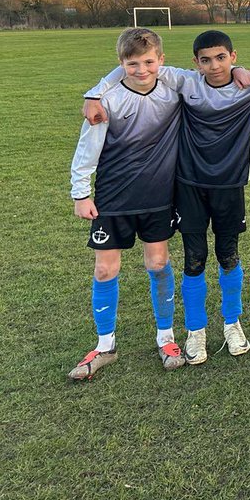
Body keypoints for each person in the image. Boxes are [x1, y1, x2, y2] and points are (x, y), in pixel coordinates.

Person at [82, 30, 250, 366]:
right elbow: (130, 67)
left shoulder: (238, 87)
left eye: (222, 58)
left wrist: (246, 71)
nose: (213, 65)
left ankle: (232, 323)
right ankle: (195, 330)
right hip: (187, 186)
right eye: (205, 60)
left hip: (230, 186)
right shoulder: (185, 82)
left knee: (228, 254)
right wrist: (94, 94)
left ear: (233, 57)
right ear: (195, 63)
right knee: (194, 258)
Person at [68, 27, 184, 378]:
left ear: (160, 61)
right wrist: (81, 193)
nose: (141, 69)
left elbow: (211, 76)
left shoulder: (174, 89)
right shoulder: (106, 101)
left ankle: (166, 338)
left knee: (157, 262)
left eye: (149, 61)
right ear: (121, 64)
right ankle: (105, 346)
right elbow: (88, 149)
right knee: (105, 269)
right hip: (113, 198)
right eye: (132, 63)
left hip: (159, 196)